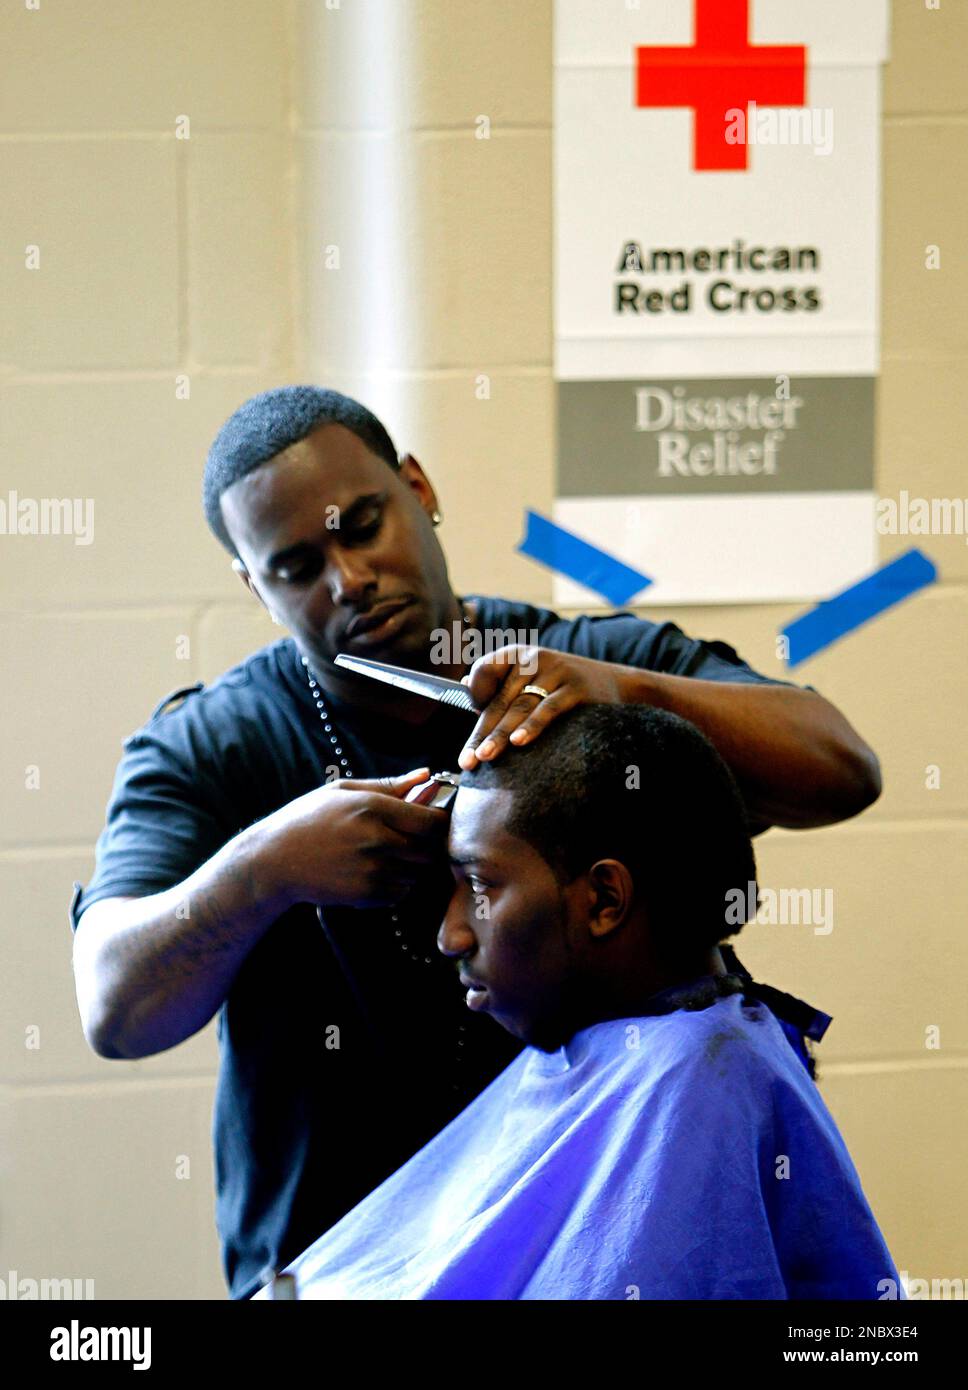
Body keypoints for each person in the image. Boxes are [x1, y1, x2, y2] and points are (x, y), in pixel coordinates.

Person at [69, 386, 882, 1301]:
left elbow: (843, 767)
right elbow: (114, 1008)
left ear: (419, 488)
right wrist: (263, 872)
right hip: (338, 1261)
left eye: (365, 525)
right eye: (296, 566)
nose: (348, 579)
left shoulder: (582, 659)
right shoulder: (210, 749)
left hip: (589, 1245)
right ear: (255, 587)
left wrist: (624, 694)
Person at [253, 704, 899, 1301]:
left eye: (477, 885)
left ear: (603, 901)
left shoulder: (702, 1081)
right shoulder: (620, 1042)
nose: (450, 934)